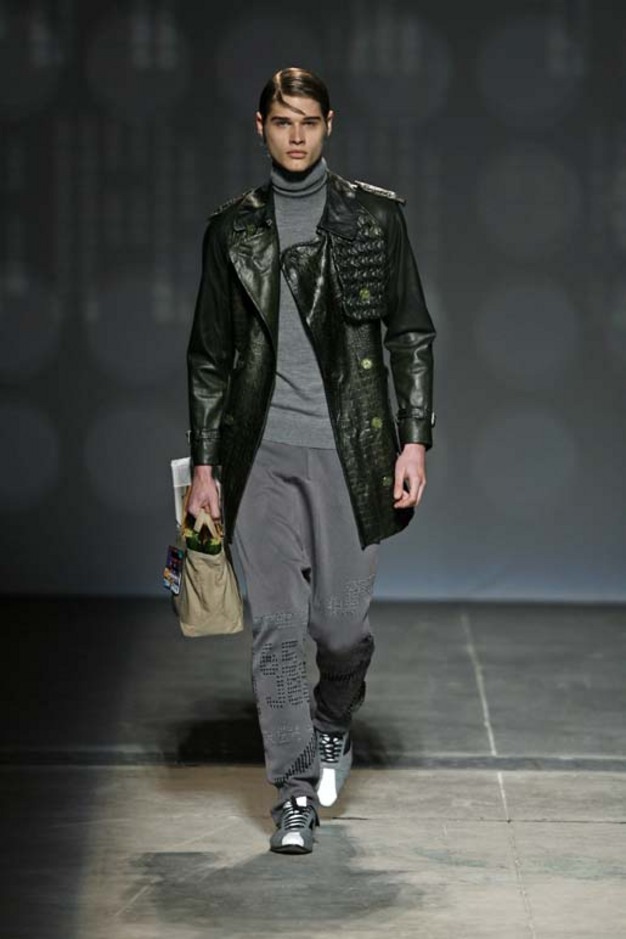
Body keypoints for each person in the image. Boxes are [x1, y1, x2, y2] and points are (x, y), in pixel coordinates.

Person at [185, 67, 436, 855]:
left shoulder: (376, 219)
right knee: (276, 626)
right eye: (282, 121)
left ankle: (334, 717)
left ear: (330, 125)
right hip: (258, 453)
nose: (296, 135)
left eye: (308, 121)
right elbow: (209, 359)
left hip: (351, 450)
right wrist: (205, 467)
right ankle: (293, 792)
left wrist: (414, 438)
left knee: (339, 627)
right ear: (259, 126)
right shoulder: (232, 232)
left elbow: (410, 333)